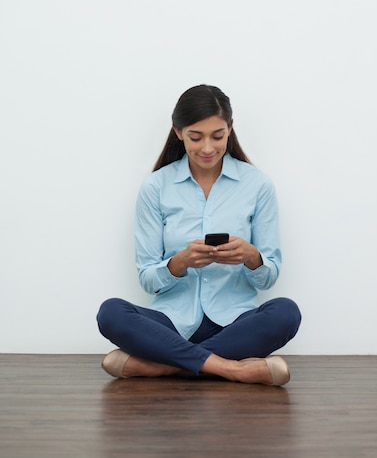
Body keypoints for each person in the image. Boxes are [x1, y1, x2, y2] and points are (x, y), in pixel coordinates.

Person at [97, 84, 301, 386]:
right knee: (111, 313)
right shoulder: (156, 187)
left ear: (230, 129)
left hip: (235, 322)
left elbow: (269, 276)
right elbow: (147, 278)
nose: (207, 148)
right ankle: (233, 369)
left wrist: (251, 257)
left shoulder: (257, 185)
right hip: (170, 323)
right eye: (196, 137)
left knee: (286, 312)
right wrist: (179, 263)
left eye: (217, 136)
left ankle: (163, 367)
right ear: (178, 132)